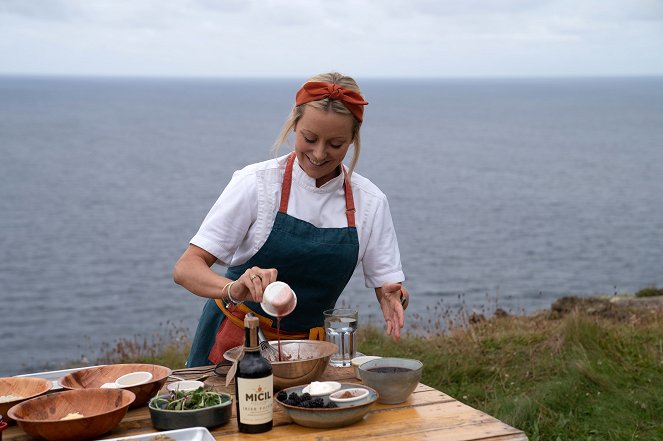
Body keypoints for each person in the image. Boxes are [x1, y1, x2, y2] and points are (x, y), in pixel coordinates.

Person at [173, 72, 410, 367]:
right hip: (233, 345)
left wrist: (392, 297)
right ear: (294, 125)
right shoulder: (255, 183)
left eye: (336, 144)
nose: (320, 153)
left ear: (353, 139)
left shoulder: (370, 202)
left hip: (309, 353)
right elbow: (186, 268)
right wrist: (233, 289)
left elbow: (387, 286)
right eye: (309, 138)